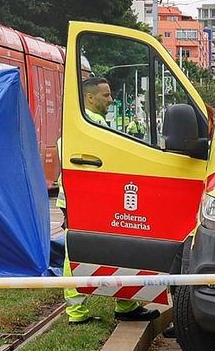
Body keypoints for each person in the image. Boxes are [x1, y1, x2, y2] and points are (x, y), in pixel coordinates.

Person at [62, 77, 159, 325]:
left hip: (85, 199)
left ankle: (123, 304)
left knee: (108, 248)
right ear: (89, 98)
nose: (111, 99)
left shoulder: (83, 123)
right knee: (99, 249)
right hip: (88, 199)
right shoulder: (91, 124)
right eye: (106, 95)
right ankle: (87, 312)